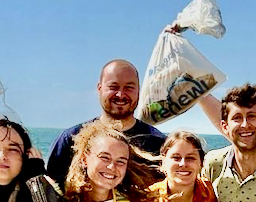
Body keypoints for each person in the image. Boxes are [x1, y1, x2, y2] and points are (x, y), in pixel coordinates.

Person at [46, 59, 167, 187]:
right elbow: (51, 191)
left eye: (129, 88)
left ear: (138, 91)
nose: (120, 94)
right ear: (99, 89)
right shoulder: (71, 139)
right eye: (113, 87)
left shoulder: (158, 143)